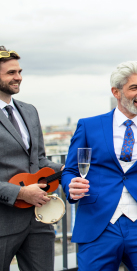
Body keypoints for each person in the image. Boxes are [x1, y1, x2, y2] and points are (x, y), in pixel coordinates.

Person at [62, 61, 137, 271]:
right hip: (98, 224)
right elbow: (70, 170)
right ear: (116, 92)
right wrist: (70, 185)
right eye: (134, 87)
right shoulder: (88, 126)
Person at [0, 46, 64, 271]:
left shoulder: (29, 111)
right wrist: (20, 193)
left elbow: (39, 161)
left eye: (19, 71)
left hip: (38, 219)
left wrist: (68, 170)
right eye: (10, 73)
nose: (18, 77)